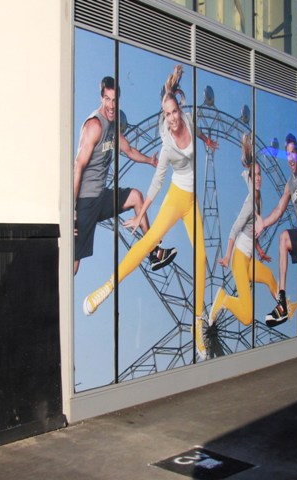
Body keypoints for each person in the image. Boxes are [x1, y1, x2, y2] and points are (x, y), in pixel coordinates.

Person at [83, 66, 218, 361]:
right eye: (167, 115)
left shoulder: (189, 120)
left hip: (192, 202)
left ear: (179, 110)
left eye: (174, 112)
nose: (172, 118)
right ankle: (106, 288)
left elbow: (195, 129)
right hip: (176, 198)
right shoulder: (167, 144)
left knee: (201, 257)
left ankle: (198, 322)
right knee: (148, 242)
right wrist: (141, 211)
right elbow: (156, 183)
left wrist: (207, 141)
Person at [74, 76, 177, 275]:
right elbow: (77, 166)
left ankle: (154, 253)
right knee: (74, 264)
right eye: (107, 99)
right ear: (101, 98)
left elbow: (129, 150)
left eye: (115, 100)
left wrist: (149, 160)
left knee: (136, 197)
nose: (111, 105)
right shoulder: (94, 126)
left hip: (101, 196)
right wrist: (72, 212)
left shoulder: (113, 127)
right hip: (85, 200)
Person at [209, 134, 279, 327]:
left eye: (259, 174)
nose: (258, 178)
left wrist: (260, 251)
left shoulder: (258, 197)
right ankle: (224, 299)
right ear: (249, 178)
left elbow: (251, 230)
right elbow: (235, 229)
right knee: (247, 318)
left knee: (269, 277)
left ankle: (283, 306)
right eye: (254, 176)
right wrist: (227, 256)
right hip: (239, 259)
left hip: (248, 258)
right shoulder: (250, 203)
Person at [259, 133, 297, 327]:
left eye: (294, 153)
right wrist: (263, 223)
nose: (291, 158)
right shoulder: (289, 185)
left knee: (284, 237)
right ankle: (282, 302)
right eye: (288, 154)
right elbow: (278, 210)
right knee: (284, 239)